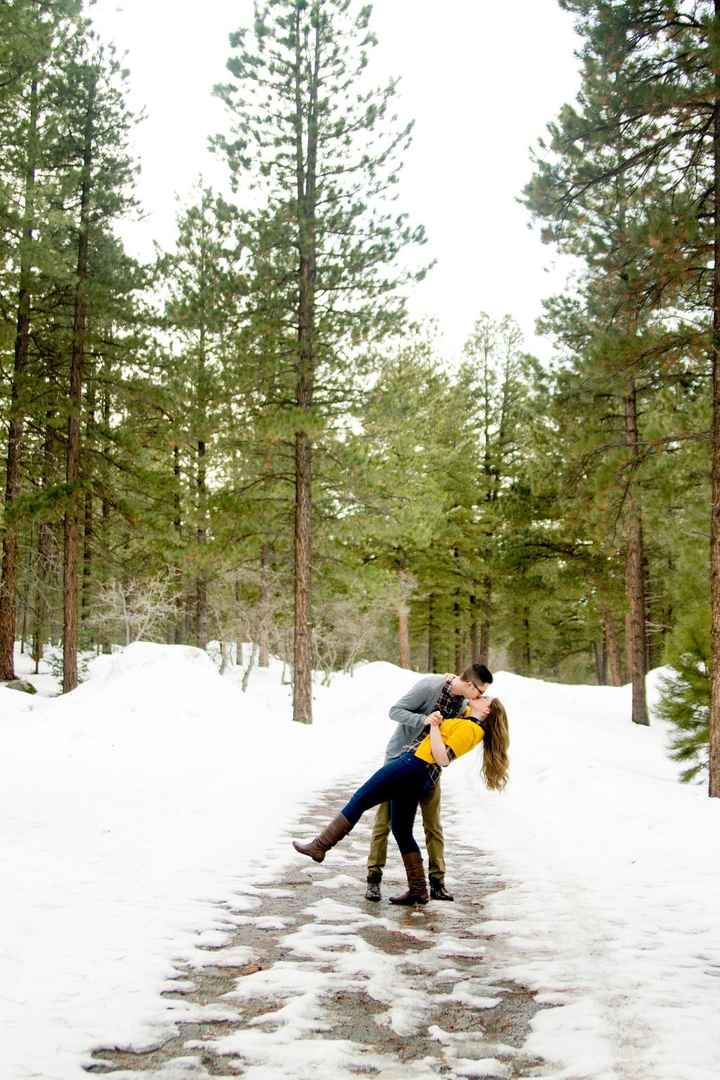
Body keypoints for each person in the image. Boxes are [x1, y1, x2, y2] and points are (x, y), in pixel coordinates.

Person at [292, 695, 509, 905]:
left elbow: (443, 758)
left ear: (487, 711)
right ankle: (418, 890)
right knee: (401, 830)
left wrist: (434, 727)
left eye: (484, 698)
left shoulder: (472, 730)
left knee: (360, 799)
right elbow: (459, 696)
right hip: (416, 772)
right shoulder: (470, 719)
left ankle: (320, 846)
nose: (480, 696)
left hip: (412, 766)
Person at [366, 664, 493, 903]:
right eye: (479, 691)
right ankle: (373, 878)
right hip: (399, 760)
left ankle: (437, 883)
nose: (480, 696)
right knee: (384, 822)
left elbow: (474, 721)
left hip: (428, 769)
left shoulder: (464, 704)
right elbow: (395, 710)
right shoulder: (429, 686)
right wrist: (424, 719)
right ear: (469, 684)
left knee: (433, 824)